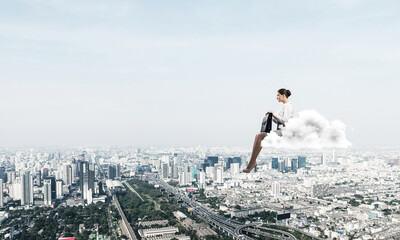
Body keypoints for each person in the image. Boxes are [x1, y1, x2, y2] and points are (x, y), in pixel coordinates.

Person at [243, 88, 294, 173]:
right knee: (258, 136)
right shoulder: (283, 106)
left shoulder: (288, 106)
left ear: (283, 95)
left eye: (278, 95)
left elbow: (285, 120)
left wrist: (274, 114)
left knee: (259, 136)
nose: (277, 97)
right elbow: (278, 120)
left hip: (284, 132)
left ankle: (252, 163)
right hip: (280, 131)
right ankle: (252, 162)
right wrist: (271, 116)